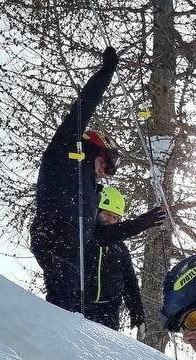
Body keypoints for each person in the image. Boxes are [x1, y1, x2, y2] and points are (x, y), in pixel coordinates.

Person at [29, 46, 122, 315]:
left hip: (75, 246)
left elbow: (101, 234)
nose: (109, 171)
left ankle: (65, 343)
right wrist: (107, 72)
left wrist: (137, 225)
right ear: (95, 149)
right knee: (64, 289)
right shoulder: (65, 151)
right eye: (109, 161)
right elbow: (84, 106)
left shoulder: (92, 189)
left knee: (76, 306)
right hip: (53, 231)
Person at [83, 186, 166, 330]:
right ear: (95, 212)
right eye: (106, 214)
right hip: (81, 305)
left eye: (115, 217)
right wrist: (138, 225)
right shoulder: (85, 235)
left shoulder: (120, 248)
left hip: (109, 312)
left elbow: (130, 282)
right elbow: (101, 236)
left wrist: (137, 313)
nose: (110, 220)